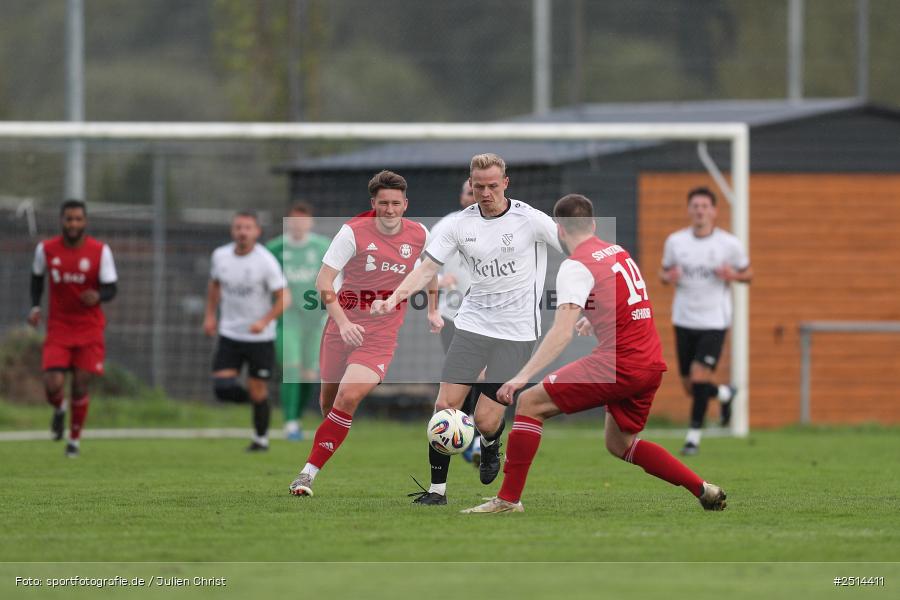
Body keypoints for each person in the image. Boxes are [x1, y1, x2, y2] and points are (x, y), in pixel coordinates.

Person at [461, 194, 727, 514]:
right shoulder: (616, 251)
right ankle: (702, 488)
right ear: (593, 224)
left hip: (618, 363)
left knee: (530, 402)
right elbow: (630, 298)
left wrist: (521, 377)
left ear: (560, 230)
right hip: (650, 363)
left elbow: (561, 333)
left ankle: (507, 500)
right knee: (619, 444)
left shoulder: (575, 266)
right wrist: (594, 317)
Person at [372, 153, 562, 506]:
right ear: (470, 185)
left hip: (517, 333)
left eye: (492, 186)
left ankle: (490, 443)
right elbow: (426, 269)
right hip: (472, 325)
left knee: (486, 420)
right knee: (445, 405)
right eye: (478, 187)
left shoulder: (531, 220)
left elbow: (576, 247)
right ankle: (437, 491)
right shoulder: (458, 224)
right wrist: (393, 298)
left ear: (505, 183)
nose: (485, 193)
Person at [288, 170, 442, 497]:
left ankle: (306, 475)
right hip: (340, 327)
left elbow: (429, 272)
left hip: (380, 335)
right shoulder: (352, 232)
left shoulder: (419, 234)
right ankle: (328, 440)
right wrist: (344, 324)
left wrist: (433, 309)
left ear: (405, 204)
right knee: (328, 403)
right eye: (383, 203)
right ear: (373, 203)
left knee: (348, 396)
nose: (390, 210)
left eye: (396, 203)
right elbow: (323, 281)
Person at [658, 186, 752, 456]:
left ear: (714, 211)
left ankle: (693, 438)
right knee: (691, 387)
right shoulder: (676, 242)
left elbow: (748, 274)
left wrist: (732, 275)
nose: (700, 211)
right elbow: (663, 273)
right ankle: (724, 394)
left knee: (699, 377)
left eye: (704, 206)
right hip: (683, 319)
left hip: (714, 321)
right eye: (695, 206)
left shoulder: (728, 244)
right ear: (689, 210)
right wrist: (668, 277)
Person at [27, 199, 118, 458]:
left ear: (85, 221)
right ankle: (59, 408)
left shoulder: (100, 251)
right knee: (52, 384)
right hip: (59, 327)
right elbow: (36, 279)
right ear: (62, 221)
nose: (73, 224)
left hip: (89, 328)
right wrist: (35, 307)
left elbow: (112, 288)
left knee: (80, 385)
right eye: (69, 219)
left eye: (78, 219)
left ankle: (74, 442)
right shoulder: (46, 249)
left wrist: (98, 295)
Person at [204, 211, 288, 452]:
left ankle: (261, 440)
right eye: (239, 227)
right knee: (223, 389)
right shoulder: (220, 256)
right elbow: (214, 285)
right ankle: (258, 402)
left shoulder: (265, 261)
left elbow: (285, 298)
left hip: (260, 338)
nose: (243, 232)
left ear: (257, 232)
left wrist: (264, 321)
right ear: (233, 230)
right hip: (230, 333)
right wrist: (210, 315)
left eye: (248, 228)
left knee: (257, 387)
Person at [265, 203, 331, 441]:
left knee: (309, 374)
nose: (298, 225)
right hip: (288, 317)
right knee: (291, 367)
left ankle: (297, 417)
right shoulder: (274, 248)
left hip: (316, 318)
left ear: (310, 222)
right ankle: (290, 422)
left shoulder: (323, 247)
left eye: (303, 220)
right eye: (293, 220)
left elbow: (336, 279)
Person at [431, 179, 481, 463]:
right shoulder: (447, 226)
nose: (476, 196)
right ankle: (465, 436)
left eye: (481, 190)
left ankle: (473, 436)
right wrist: (439, 279)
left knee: (485, 376)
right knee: (464, 376)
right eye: (470, 192)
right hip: (453, 315)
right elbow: (422, 264)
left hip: (489, 316)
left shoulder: (502, 226)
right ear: (462, 198)